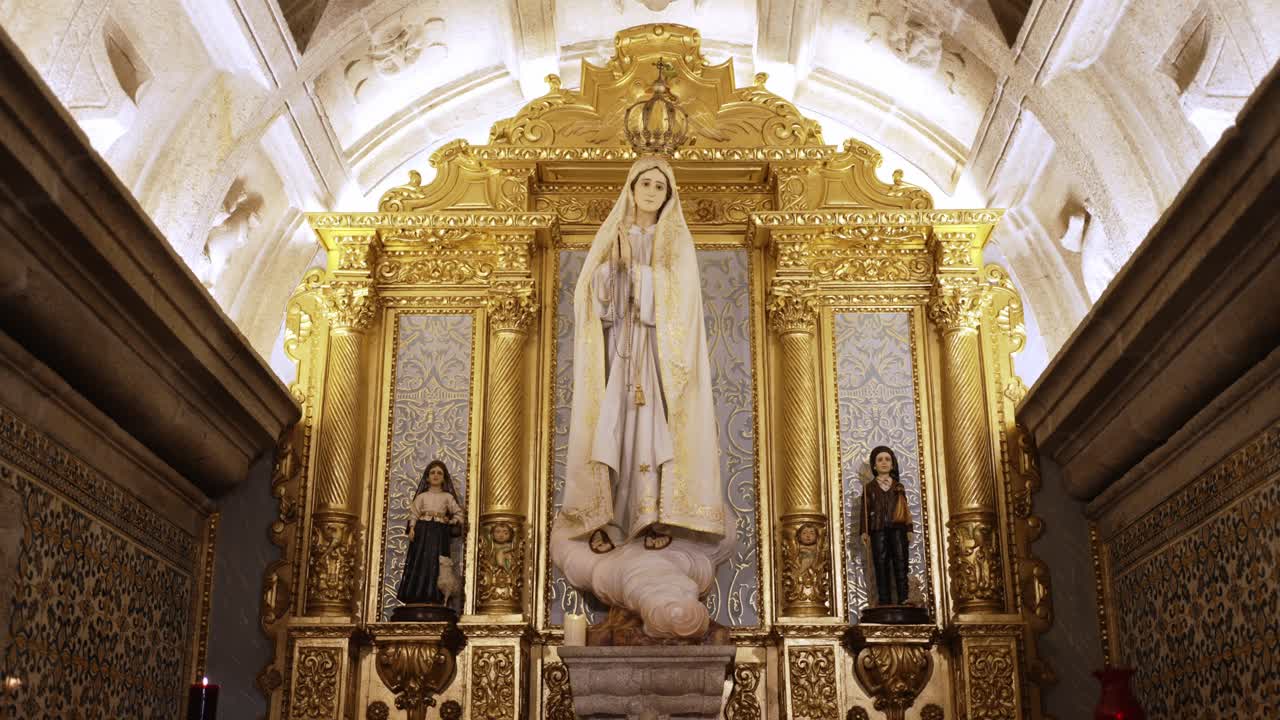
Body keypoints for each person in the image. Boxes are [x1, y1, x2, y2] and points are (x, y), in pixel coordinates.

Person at [558, 156, 725, 555]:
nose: (651, 191)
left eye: (659, 186)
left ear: (668, 196)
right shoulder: (612, 236)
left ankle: (649, 514)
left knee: (651, 432)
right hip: (617, 351)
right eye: (645, 183)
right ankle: (603, 515)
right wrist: (611, 272)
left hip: (656, 354)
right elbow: (589, 297)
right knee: (608, 427)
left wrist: (641, 278)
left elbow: (682, 301)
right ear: (631, 188)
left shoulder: (676, 245)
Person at [396, 459, 463, 605]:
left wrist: (451, 521)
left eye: (439, 473)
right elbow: (414, 513)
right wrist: (412, 528)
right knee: (422, 561)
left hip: (439, 533)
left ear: (444, 478)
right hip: (423, 532)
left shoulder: (447, 497)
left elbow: (458, 514)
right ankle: (418, 592)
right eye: (432, 472)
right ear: (427, 477)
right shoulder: (422, 497)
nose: (436, 475)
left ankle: (436, 595)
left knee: (437, 562)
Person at [860, 446, 913, 605]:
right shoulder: (869, 488)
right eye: (880, 460)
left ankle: (904, 598)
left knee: (900, 561)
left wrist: (909, 528)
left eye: (887, 459)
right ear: (874, 465)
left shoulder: (898, 486)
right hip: (878, 529)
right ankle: (884, 601)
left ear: (892, 464)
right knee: (881, 563)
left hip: (898, 529)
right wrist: (864, 531)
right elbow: (865, 510)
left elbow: (905, 508)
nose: (884, 463)